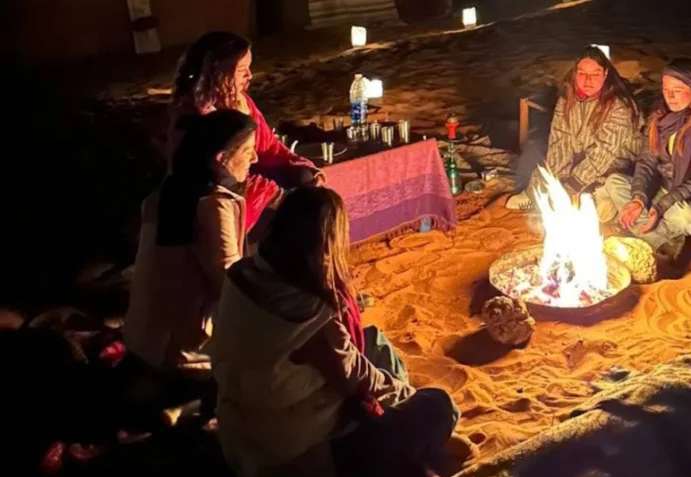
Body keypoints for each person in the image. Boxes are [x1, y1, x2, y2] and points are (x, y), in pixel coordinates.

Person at [212, 187, 459, 477]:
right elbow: (356, 379)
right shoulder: (308, 315)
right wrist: (408, 395)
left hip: (241, 425)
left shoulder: (244, 273)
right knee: (440, 407)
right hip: (298, 448)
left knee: (375, 341)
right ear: (325, 244)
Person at [124, 109, 257, 375]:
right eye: (247, 151)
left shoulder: (166, 190)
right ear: (221, 159)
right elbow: (231, 284)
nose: (254, 158)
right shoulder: (212, 204)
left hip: (142, 336)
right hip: (179, 350)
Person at [169, 31, 324, 232]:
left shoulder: (241, 100)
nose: (250, 76)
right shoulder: (198, 113)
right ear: (220, 72)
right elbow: (223, 173)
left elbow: (270, 148)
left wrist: (310, 169)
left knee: (304, 178)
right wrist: (278, 196)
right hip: (220, 188)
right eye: (242, 70)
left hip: (250, 176)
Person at [600, 57, 691, 251]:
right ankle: (663, 238)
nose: (670, 96)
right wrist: (639, 198)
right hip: (663, 193)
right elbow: (646, 162)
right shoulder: (659, 119)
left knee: (688, 217)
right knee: (614, 182)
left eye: (677, 91)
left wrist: (661, 206)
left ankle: (646, 242)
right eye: (665, 89)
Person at [506, 46, 642, 211]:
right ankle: (535, 196)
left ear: (605, 74)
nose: (588, 81)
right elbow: (560, 140)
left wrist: (574, 184)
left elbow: (605, 151)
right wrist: (559, 179)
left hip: (613, 165)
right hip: (578, 156)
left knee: (596, 207)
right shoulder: (567, 99)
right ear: (575, 73)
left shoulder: (619, 106)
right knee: (544, 172)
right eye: (582, 74)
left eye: (595, 74)